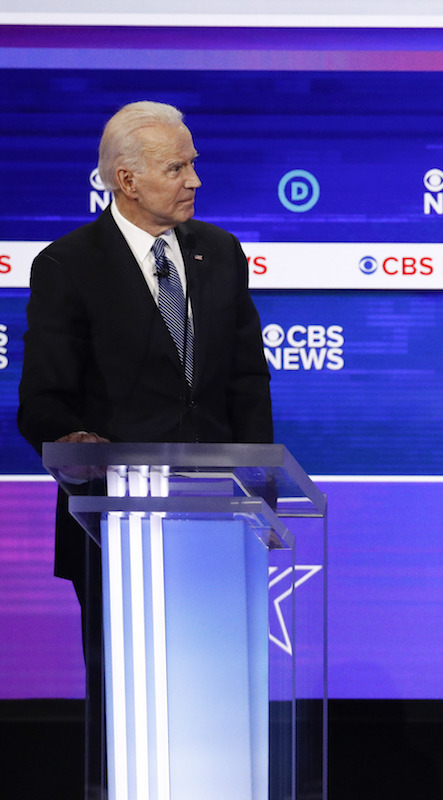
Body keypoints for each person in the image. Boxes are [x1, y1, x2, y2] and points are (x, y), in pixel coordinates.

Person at [17, 100, 273, 793]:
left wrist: (261, 492)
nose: (195, 179)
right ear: (127, 180)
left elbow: (247, 382)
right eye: (178, 167)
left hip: (218, 519)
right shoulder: (69, 265)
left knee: (221, 692)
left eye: (193, 164)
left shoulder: (220, 253)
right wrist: (70, 442)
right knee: (126, 699)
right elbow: (42, 398)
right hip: (114, 526)